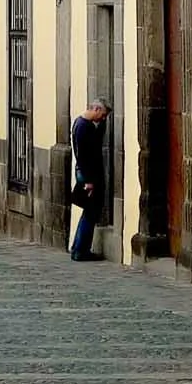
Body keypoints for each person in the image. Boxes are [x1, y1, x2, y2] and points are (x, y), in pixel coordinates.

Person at [69, 98, 110, 262]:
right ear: (96, 110)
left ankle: (77, 247)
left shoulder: (82, 124)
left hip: (86, 173)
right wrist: (89, 181)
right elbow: (84, 156)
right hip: (88, 175)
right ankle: (81, 250)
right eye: (103, 115)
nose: (103, 118)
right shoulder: (83, 127)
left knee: (88, 212)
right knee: (91, 213)